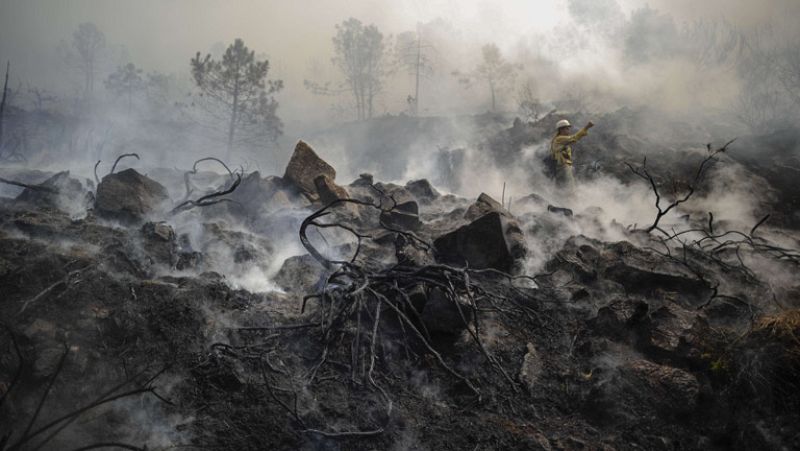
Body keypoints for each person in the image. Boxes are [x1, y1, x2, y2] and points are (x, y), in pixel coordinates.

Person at [550, 119, 594, 193]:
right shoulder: (560, 138)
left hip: (561, 166)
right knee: (569, 188)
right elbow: (574, 138)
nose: (569, 130)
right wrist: (587, 127)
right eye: (567, 128)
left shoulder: (559, 139)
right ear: (561, 130)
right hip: (563, 166)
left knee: (563, 188)